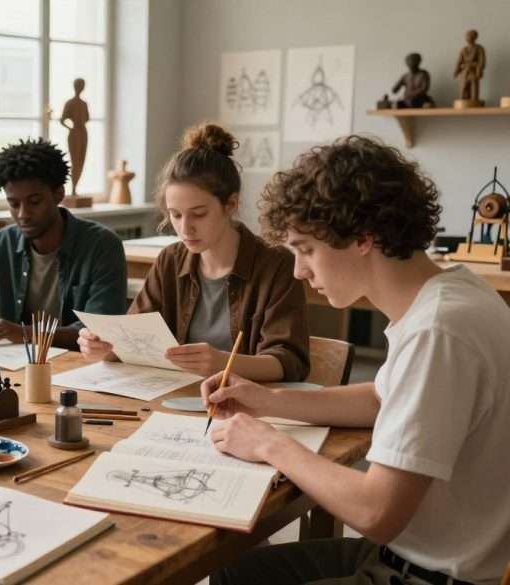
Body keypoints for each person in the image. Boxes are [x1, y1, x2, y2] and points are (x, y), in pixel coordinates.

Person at [207, 135, 510, 585]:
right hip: (413, 555)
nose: (299, 270)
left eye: (306, 249)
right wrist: (266, 400)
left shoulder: (437, 331)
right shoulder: (452, 294)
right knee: (233, 573)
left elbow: (375, 512)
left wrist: (269, 443)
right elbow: (380, 398)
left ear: (364, 238)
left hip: (429, 574)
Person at [79, 123, 310, 381]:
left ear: (231, 204)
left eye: (199, 214)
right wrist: (105, 347)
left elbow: (290, 362)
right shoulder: (170, 260)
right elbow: (134, 340)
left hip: (245, 398)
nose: (185, 228)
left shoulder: (276, 264)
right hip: (176, 393)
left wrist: (223, 363)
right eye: (175, 215)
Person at [0, 137, 127, 349]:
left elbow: (100, 330)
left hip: (80, 363)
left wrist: (26, 333)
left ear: (59, 194)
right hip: (18, 362)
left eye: (34, 202)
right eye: (13, 204)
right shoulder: (3, 243)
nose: (23, 214)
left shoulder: (102, 245)